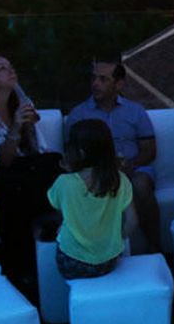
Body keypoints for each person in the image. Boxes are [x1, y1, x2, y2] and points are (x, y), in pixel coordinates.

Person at [0, 54, 60, 279]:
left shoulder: (20, 105)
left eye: (11, 66)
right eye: (2, 69)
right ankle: (24, 268)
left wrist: (30, 128)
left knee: (55, 164)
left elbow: (36, 153)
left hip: (22, 173)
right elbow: (2, 164)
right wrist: (15, 126)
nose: (10, 71)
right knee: (22, 188)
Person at [65, 54, 159, 251]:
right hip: (93, 173)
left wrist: (130, 165)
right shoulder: (78, 115)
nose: (95, 84)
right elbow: (71, 155)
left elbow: (149, 149)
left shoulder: (135, 111)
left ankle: (155, 248)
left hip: (133, 168)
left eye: (103, 79)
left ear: (119, 84)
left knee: (141, 184)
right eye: (93, 78)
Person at [47, 119, 133, 279]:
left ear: (80, 153)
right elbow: (133, 221)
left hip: (72, 262)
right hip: (108, 262)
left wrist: (70, 172)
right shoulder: (120, 180)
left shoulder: (64, 182)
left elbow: (58, 207)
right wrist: (116, 240)